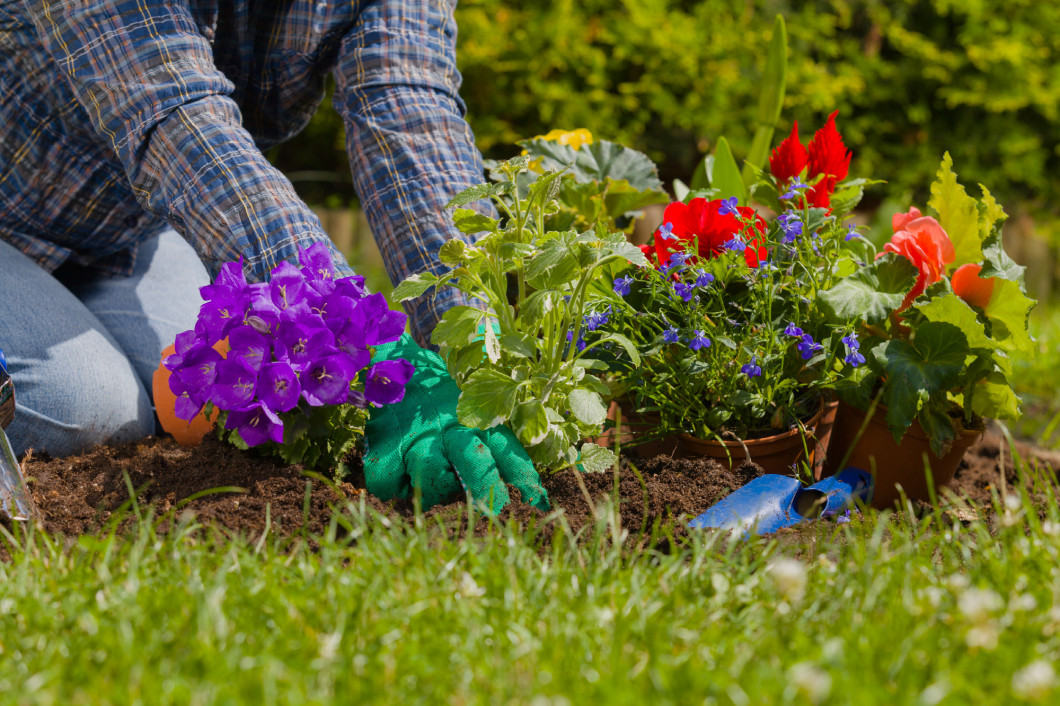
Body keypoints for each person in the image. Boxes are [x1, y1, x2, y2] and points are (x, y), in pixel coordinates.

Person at [0, 0, 548, 512]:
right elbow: (173, 112)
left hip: (123, 232)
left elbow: (408, 99)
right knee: (88, 406)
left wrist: (473, 348)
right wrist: (365, 341)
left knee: (192, 395)